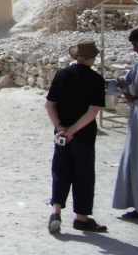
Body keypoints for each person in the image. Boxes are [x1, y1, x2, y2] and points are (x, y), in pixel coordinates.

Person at [45, 40, 107, 233]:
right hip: (84, 135)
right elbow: (92, 112)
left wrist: (60, 128)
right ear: (91, 58)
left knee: (60, 171)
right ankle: (81, 217)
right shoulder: (96, 79)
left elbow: (49, 104)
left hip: (61, 134)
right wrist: (73, 131)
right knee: (84, 174)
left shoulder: (62, 74)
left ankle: (56, 212)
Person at [111, 26, 138, 220]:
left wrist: (132, 93)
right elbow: (127, 82)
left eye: (136, 44)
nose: (134, 49)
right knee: (136, 160)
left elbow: (136, 89)